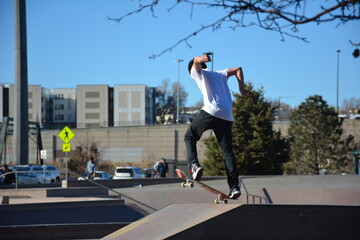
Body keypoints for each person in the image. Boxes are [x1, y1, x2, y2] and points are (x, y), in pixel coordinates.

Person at [184, 52, 248, 199]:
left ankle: (194, 165)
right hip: (227, 116)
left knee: (189, 136)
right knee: (227, 152)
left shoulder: (198, 72)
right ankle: (234, 186)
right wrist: (241, 89)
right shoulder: (221, 74)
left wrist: (201, 58)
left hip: (211, 111)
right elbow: (238, 68)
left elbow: (195, 61)